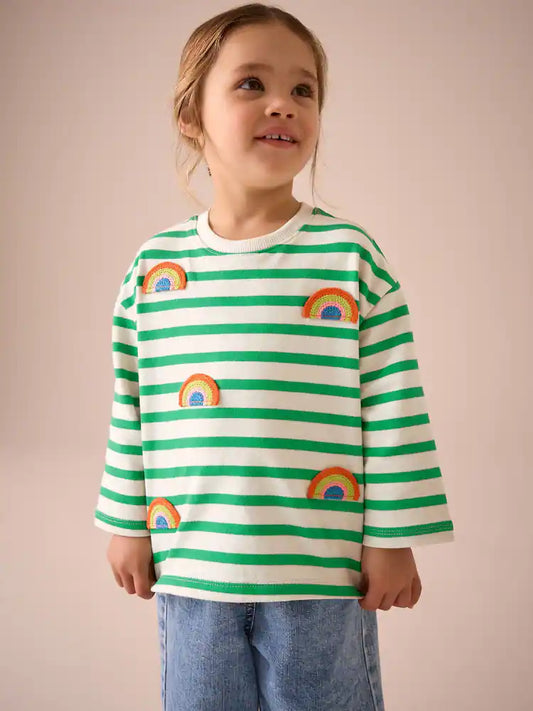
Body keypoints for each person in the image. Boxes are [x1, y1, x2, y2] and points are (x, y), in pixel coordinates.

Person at [93, 3, 455, 710]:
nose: (283, 104)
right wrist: (126, 520)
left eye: (303, 90)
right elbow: (131, 400)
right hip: (191, 569)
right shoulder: (156, 269)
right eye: (251, 84)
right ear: (190, 115)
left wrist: (391, 538)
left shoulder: (348, 257)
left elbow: (392, 401)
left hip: (319, 574)